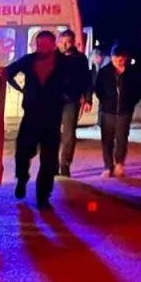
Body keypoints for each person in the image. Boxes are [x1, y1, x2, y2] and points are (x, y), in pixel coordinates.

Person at [6, 30, 75, 209]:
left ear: (53, 45)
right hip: (31, 114)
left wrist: (67, 95)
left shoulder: (63, 62)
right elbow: (8, 72)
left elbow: (79, 80)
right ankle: (22, 179)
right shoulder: (29, 60)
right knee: (23, 151)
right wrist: (22, 91)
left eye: (44, 44)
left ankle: (43, 197)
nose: (41, 48)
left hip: (52, 117)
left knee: (49, 159)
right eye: (38, 44)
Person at [95, 43, 141, 177]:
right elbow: (98, 89)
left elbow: (139, 90)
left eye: (120, 60)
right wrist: (105, 101)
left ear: (125, 58)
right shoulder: (104, 72)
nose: (117, 63)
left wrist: (131, 102)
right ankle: (108, 166)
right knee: (107, 139)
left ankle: (119, 163)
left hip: (124, 112)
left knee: (122, 138)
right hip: (108, 111)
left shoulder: (132, 73)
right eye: (115, 59)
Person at [56, 29, 93, 177]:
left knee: (69, 134)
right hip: (53, 100)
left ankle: (65, 165)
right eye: (62, 42)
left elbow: (87, 80)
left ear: (73, 43)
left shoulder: (80, 59)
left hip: (71, 100)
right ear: (58, 42)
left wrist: (88, 99)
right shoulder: (52, 57)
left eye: (68, 42)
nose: (65, 45)